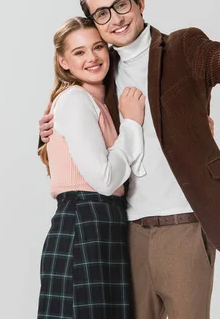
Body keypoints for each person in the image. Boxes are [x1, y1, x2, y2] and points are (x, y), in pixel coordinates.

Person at [38, 0, 220, 319]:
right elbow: (81, 126)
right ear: (94, 22)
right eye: (101, 14)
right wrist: (45, 130)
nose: (115, 19)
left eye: (122, 5)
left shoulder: (183, 47)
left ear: (140, 2)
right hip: (125, 234)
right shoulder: (100, 70)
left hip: (182, 227)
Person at [37, 16, 146, 319]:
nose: (92, 57)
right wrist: (132, 125)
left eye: (97, 47)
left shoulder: (95, 102)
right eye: (79, 52)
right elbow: (105, 179)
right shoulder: (75, 100)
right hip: (85, 222)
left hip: (101, 223)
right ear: (64, 61)